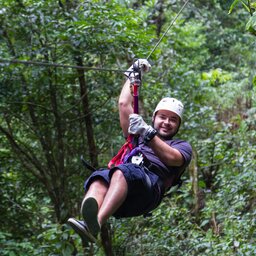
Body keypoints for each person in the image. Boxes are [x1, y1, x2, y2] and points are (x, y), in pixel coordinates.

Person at [67, 59, 192, 243]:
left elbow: (172, 158)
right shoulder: (138, 134)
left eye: (173, 120)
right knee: (100, 177)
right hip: (122, 196)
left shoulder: (181, 146)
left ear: (178, 125)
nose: (166, 122)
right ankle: (89, 220)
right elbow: (124, 104)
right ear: (154, 118)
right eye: (163, 117)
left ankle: (96, 225)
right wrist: (132, 74)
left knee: (122, 172)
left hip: (148, 190)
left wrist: (148, 134)